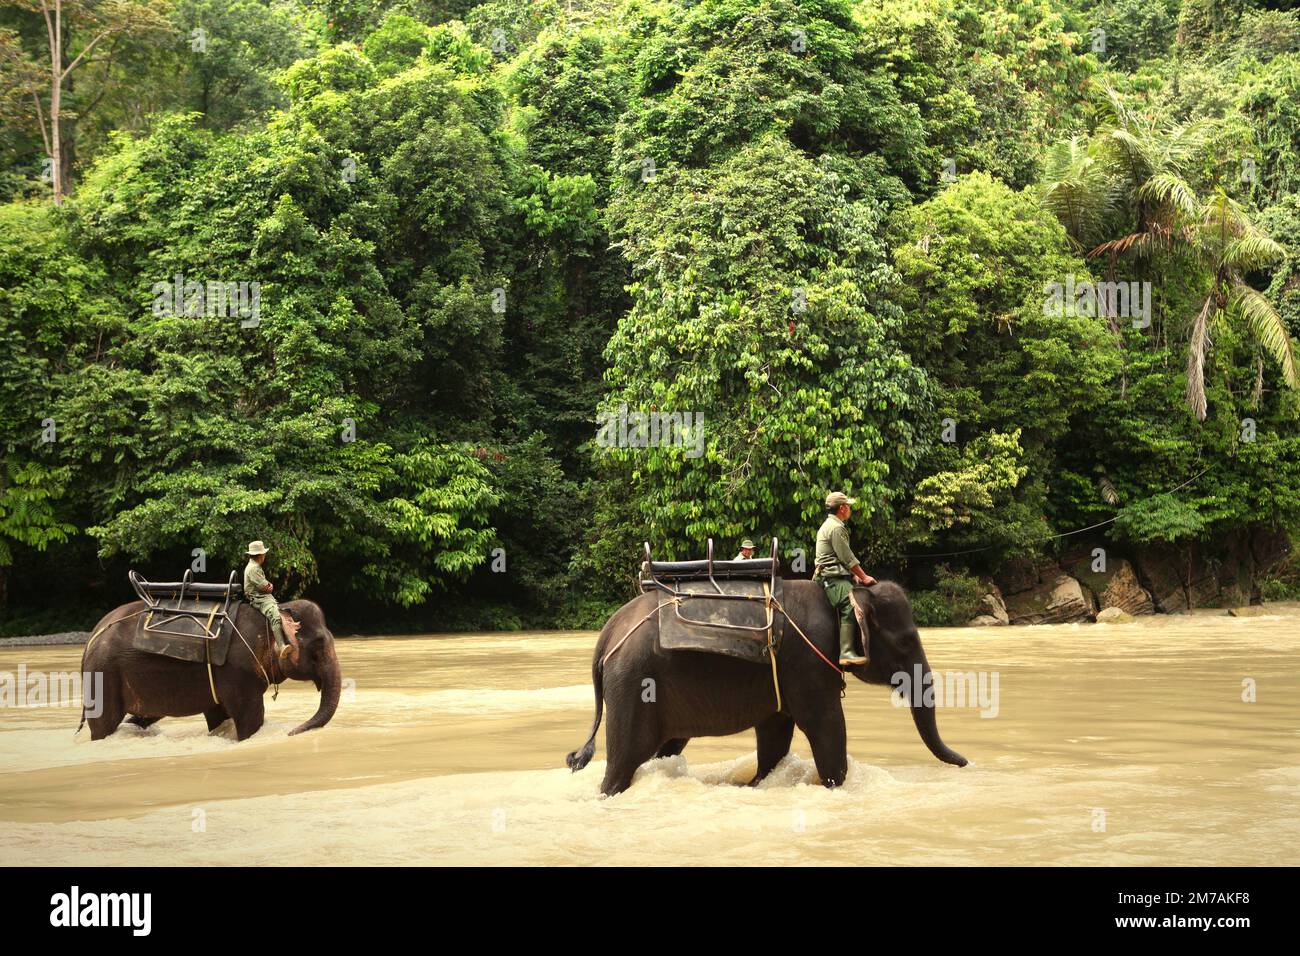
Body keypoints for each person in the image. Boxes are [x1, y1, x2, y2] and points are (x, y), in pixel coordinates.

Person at [813, 492, 877, 666]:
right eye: (848, 505)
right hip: (831, 578)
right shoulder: (836, 528)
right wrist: (864, 577)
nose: (850, 509)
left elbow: (839, 558)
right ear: (842, 508)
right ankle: (846, 652)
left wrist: (853, 575)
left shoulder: (831, 524)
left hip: (835, 574)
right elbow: (847, 557)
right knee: (850, 605)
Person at [243, 541, 293, 660]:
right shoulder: (254, 569)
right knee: (275, 616)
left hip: (262, 596)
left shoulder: (254, 566)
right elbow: (266, 587)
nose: (265, 556)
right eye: (264, 554)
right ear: (260, 555)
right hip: (259, 598)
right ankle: (281, 646)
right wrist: (270, 586)